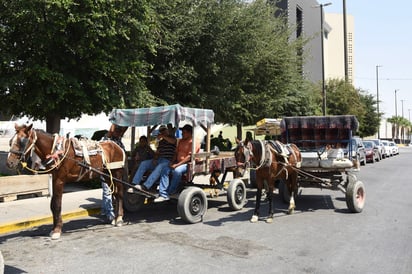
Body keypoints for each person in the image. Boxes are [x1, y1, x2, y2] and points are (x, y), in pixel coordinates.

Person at [154, 124, 199, 202]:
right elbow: (176, 153)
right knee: (165, 169)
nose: (182, 134)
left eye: (184, 132)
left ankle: (171, 191)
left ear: (189, 133)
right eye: (182, 132)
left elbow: (189, 157)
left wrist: (177, 165)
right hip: (177, 162)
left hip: (188, 164)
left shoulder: (193, 142)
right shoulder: (181, 141)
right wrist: (172, 162)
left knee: (177, 171)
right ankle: (163, 193)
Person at [128, 125, 176, 192]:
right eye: (161, 131)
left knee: (159, 166)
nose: (163, 132)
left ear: (167, 130)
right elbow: (157, 153)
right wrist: (155, 158)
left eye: (164, 130)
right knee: (144, 163)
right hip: (159, 159)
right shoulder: (161, 142)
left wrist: (163, 136)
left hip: (167, 161)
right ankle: (134, 183)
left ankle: (146, 186)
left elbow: (173, 141)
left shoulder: (172, 138)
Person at [101, 124, 127, 224]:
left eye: (119, 132)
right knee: (107, 191)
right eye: (117, 131)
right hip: (107, 169)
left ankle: (108, 211)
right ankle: (110, 213)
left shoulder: (119, 141)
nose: (118, 133)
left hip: (118, 168)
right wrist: (114, 121)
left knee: (112, 191)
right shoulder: (107, 140)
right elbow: (110, 131)